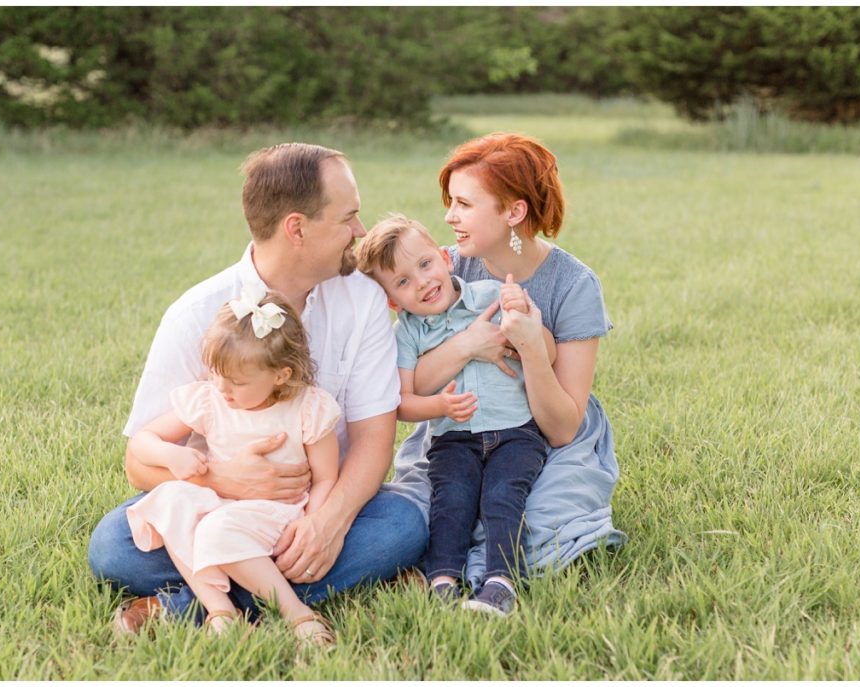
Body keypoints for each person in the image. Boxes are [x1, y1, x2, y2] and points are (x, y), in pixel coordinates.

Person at [88, 143, 428, 634]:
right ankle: (306, 589)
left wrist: (326, 524)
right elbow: (140, 463)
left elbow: (375, 442)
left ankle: (186, 607)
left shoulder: (363, 301)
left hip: (314, 506)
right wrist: (222, 481)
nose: (360, 232)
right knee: (113, 547)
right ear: (297, 228)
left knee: (403, 524)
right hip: (217, 510)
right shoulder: (196, 314)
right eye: (348, 218)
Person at [382, 132, 626, 594]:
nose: (449, 217)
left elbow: (562, 428)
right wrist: (469, 345)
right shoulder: (439, 269)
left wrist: (533, 347)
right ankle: (451, 569)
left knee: (540, 524)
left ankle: (493, 578)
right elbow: (413, 386)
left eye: (464, 204)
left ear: (513, 212)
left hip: (542, 428)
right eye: (449, 202)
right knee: (428, 509)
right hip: (457, 426)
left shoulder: (573, 285)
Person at [356, 214, 556, 616]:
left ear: (446, 259)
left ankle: (500, 584)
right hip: (452, 439)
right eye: (403, 282)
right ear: (393, 301)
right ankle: (443, 581)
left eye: (425, 265)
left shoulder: (493, 295)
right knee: (452, 502)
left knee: (502, 497)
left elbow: (547, 353)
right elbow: (402, 403)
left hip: (515, 431)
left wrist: (524, 319)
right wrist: (439, 407)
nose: (423, 282)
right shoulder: (406, 334)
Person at [126, 286, 341, 644]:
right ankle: (220, 610)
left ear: (281, 376)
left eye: (237, 382)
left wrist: (313, 523)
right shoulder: (212, 401)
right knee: (169, 500)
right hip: (222, 505)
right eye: (215, 373)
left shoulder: (307, 409)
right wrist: (171, 455)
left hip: (278, 515)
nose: (222, 388)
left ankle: (298, 614)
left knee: (215, 530)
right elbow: (141, 442)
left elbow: (325, 478)